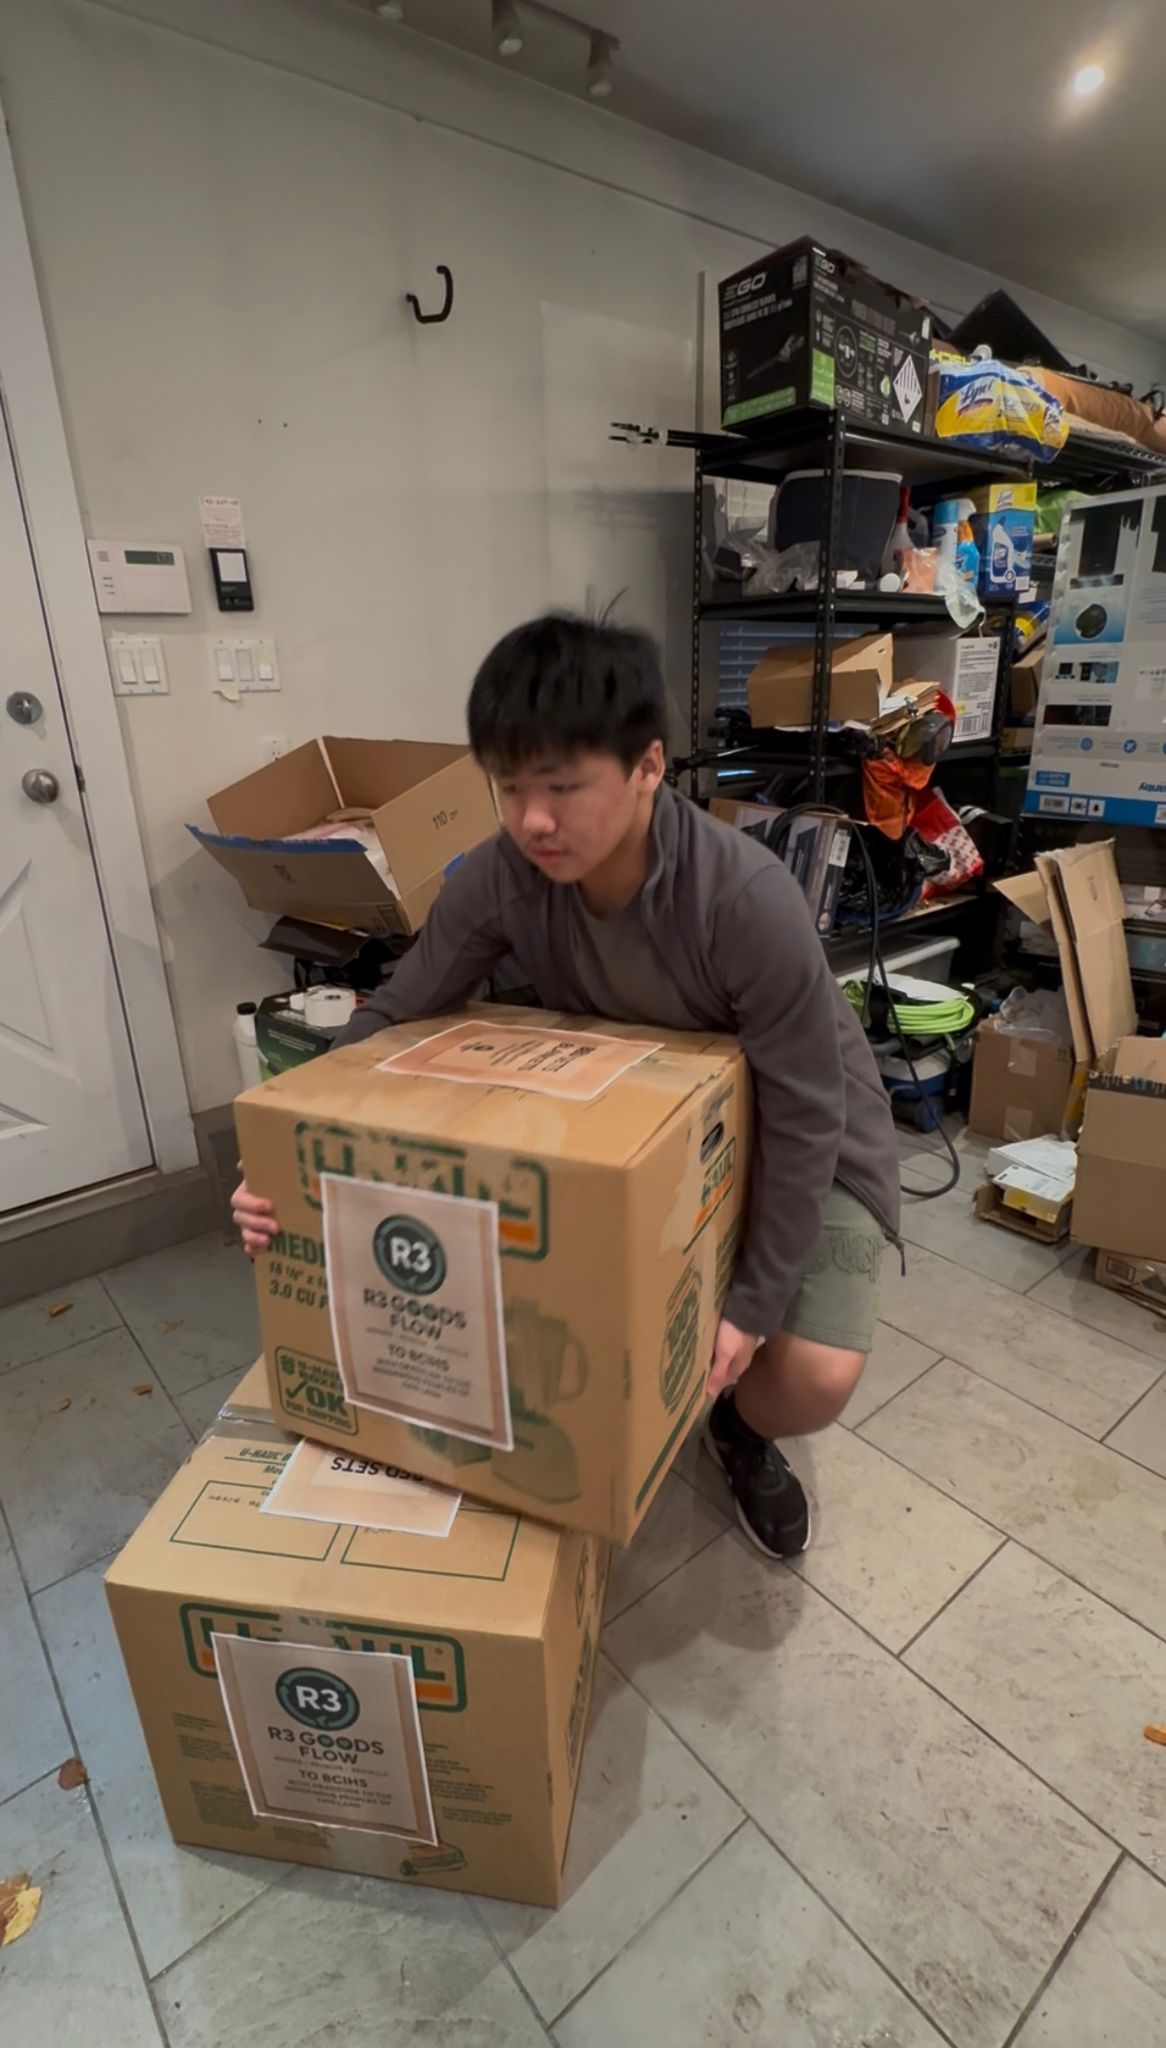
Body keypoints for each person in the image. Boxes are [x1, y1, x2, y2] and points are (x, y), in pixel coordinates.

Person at [233, 614, 900, 1558]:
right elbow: (396, 1013)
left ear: (646, 766)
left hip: (805, 1126)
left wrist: (751, 1306)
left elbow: (806, 1110)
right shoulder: (503, 875)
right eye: (508, 788)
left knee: (814, 1375)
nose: (532, 820)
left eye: (562, 787)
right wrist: (280, 1152)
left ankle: (739, 1433)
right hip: (640, 1125)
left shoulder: (744, 898)